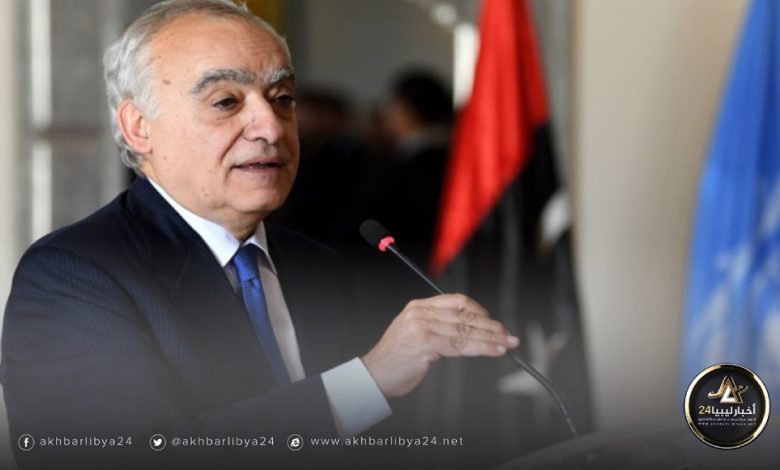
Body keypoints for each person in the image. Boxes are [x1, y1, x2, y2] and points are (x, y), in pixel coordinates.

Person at [0, 1, 518, 468]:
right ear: (139, 127)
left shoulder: (319, 266)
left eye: (282, 98)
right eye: (226, 102)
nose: (271, 128)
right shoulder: (71, 277)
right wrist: (369, 379)